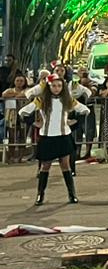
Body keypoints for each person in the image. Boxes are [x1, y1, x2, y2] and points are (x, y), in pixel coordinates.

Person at [20, 73, 90, 204]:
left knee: (66, 165)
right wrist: (34, 123)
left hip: (63, 136)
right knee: (45, 166)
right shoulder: (41, 100)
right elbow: (23, 112)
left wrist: (74, 122)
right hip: (47, 137)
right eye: (53, 85)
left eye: (59, 85)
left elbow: (85, 110)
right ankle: (40, 195)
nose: (56, 88)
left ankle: (72, 194)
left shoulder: (68, 99)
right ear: (48, 86)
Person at [3, 74, 34, 163]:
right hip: (12, 115)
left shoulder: (28, 90)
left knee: (22, 136)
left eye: (21, 81)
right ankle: (11, 156)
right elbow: (4, 94)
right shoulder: (9, 90)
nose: (19, 83)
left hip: (23, 115)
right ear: (14, 81)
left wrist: (14, 95)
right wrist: (18, 94)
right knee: (11, 136)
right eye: (17, 81)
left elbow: (26, 95)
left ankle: (20, 156)